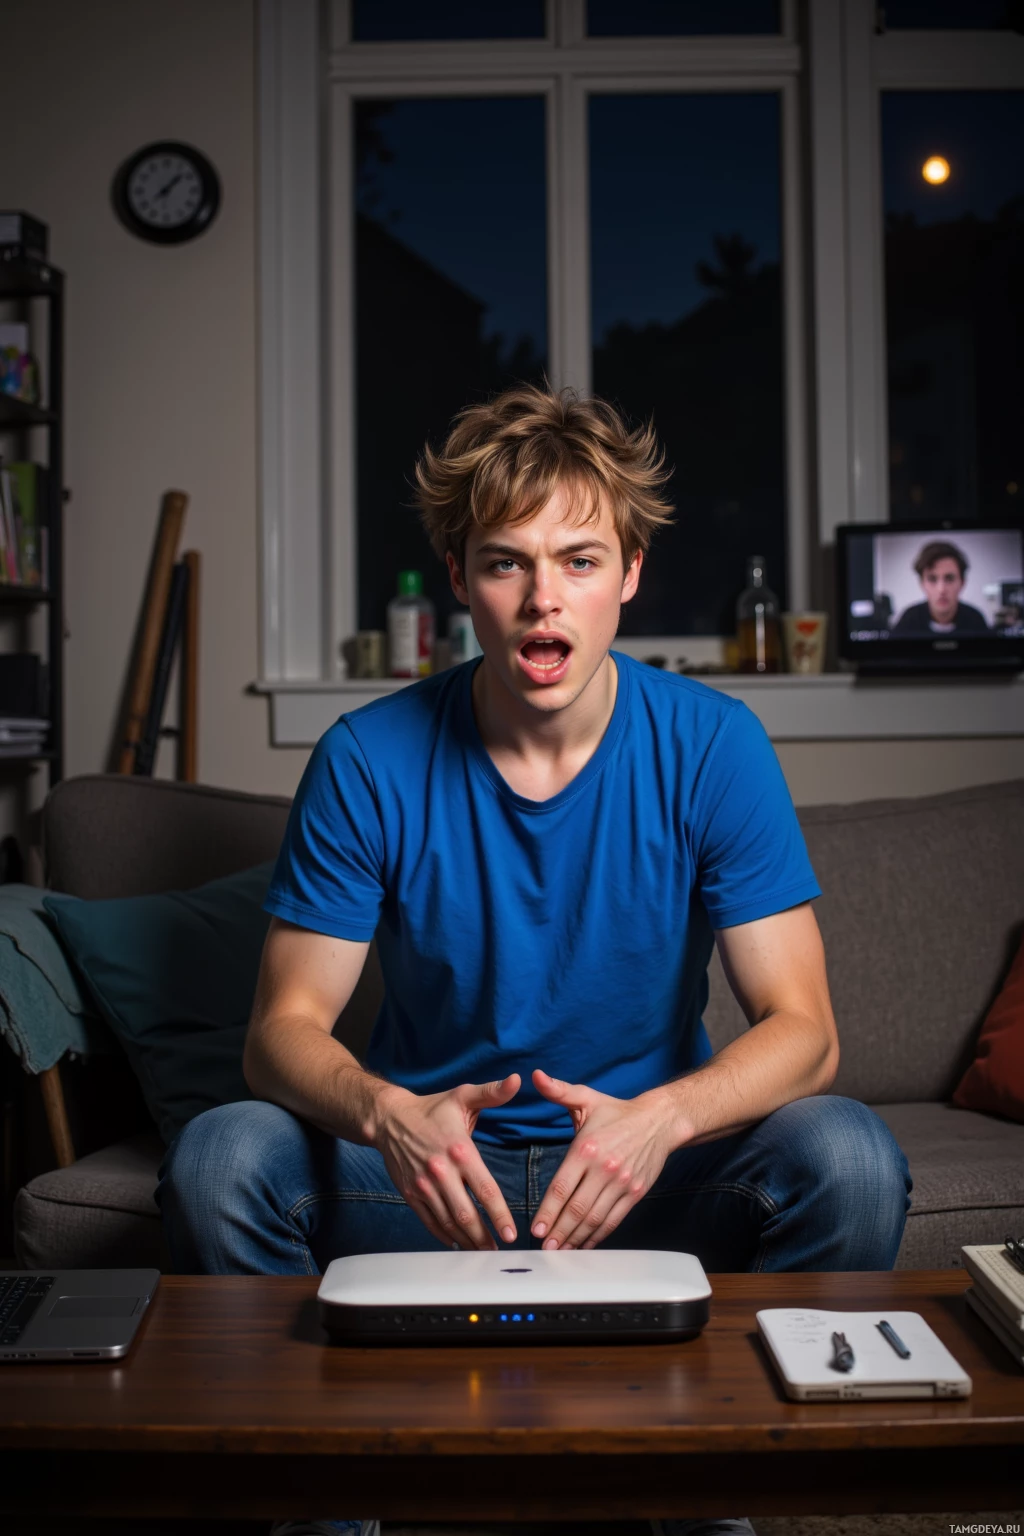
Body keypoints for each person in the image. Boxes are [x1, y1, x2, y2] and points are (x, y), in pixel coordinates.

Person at [158, 386, 911, 1536]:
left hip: (642, 1176)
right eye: (506, 562)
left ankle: (713, 1501)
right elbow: (280, 1034)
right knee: (220, 1159)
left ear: (631, 573)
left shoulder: (714, 745)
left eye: (579, 560)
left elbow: (804, 1031)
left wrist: (658, 1122)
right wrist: (390, 1116)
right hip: (426, 1182)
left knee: (850, 1157)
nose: (543, 597)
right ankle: (332, 1509)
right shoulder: (367, 758)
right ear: (459, 580)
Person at [890, 541, 990, 635]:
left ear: (962, 583)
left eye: (949, 579)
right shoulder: (908, 621)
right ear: (922, 584)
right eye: (932, 579)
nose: (941, 589)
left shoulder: (976, 621)